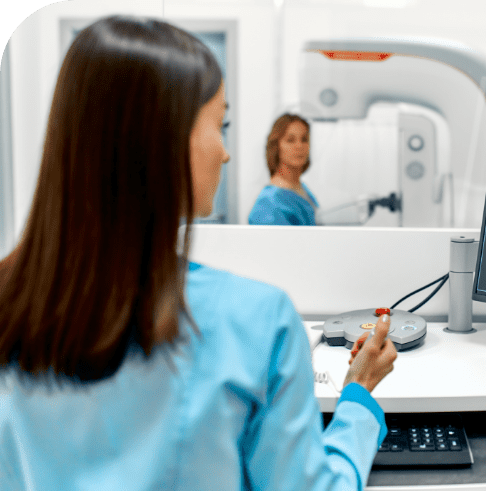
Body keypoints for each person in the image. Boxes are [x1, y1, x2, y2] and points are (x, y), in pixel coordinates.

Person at [0, 16, 396, 490]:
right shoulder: (254, 321)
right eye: (219, 125)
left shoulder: (11, 303)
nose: (226, 153)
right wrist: (357, 398)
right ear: (165, 141)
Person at [248, 114, 319, 225]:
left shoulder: (301, 188)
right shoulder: (270, 202)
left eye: (304, 139)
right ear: (276, 146)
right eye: (290, 140)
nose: (299, 146)